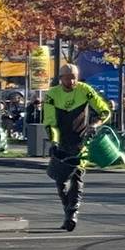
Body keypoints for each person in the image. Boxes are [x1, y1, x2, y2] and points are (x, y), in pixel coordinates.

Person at [40, 62, 112, 231]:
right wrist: (55, 141)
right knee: (60, 181)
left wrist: (95, 125)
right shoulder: (52, 94)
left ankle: (73, 212)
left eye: (74, 78)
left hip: (81, 141)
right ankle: (67, 209)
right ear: (61, 79)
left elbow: (104, 111)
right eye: (67, 79)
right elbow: (50, 121)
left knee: (77, 177)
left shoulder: (85, 90)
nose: (71, 82)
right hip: (62, 141)